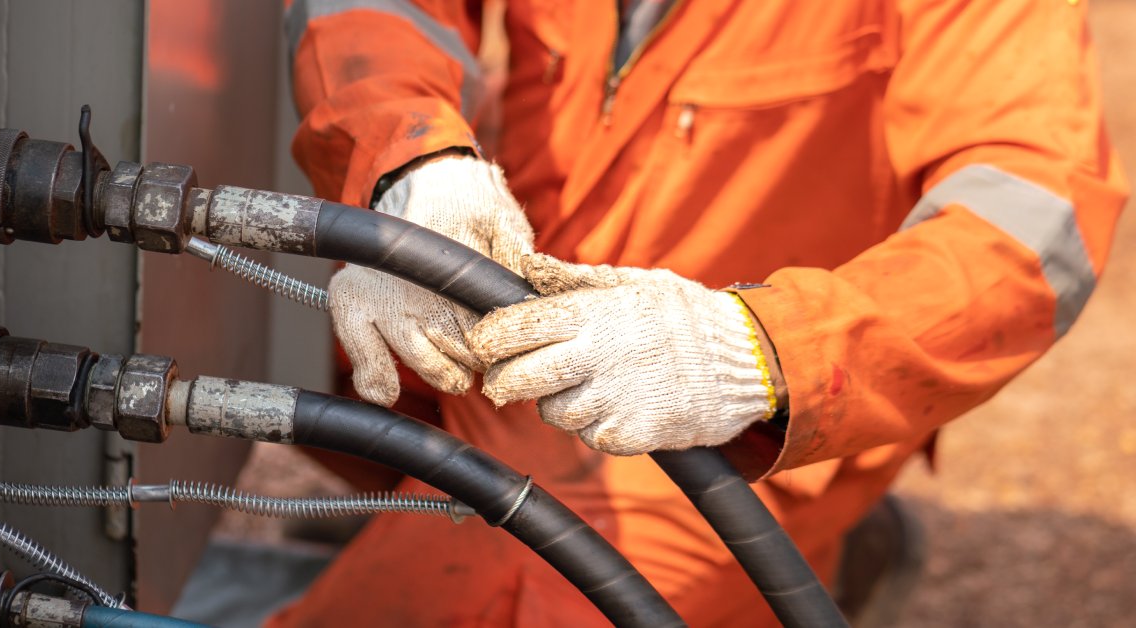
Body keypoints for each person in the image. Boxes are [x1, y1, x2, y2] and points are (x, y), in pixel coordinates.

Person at [268, 1, 1127, 626]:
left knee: (520, 593)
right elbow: (379, 9)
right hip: (513, 302)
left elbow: (1030, 224)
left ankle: (767, 559)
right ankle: (429, 504)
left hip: (713, 405)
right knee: (262, 303)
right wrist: (413, 162)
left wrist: (756, 351)